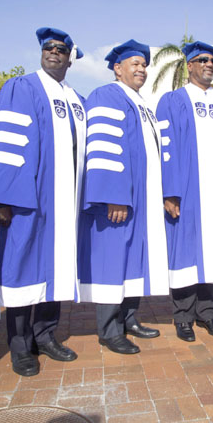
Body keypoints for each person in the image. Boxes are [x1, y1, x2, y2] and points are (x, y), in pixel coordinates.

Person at [0, 28, 86, 376]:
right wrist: (4, 199)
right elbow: (9, 145)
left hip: (66, 203)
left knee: (57, 269)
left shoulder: (77, 100)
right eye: (48, 47)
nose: (54, 52)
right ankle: (19, 346)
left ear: (69, 58)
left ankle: (45, 335)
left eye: (61, 49)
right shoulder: (23, 87)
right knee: (22, 269)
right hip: (28, 201)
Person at [80, 40, 168, 354]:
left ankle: (129, 318)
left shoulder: (142, 103)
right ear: (117, 69)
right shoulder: (107, 95)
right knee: (111, 261)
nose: (141, 69)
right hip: (119, 199)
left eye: (144, 64)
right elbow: (103, 148)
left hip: (142, 199)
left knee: (133, 260)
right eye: (135, 64)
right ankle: (109, 330)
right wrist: (113, 196)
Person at [155, 41, 213, 342]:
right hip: (187, 193)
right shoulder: (173, 100)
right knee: (185, 255)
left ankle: (207, 314)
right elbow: (167, 147)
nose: (209, 65)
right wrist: (170, 191)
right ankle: (183, 317)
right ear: (189, 65)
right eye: (202, 60)